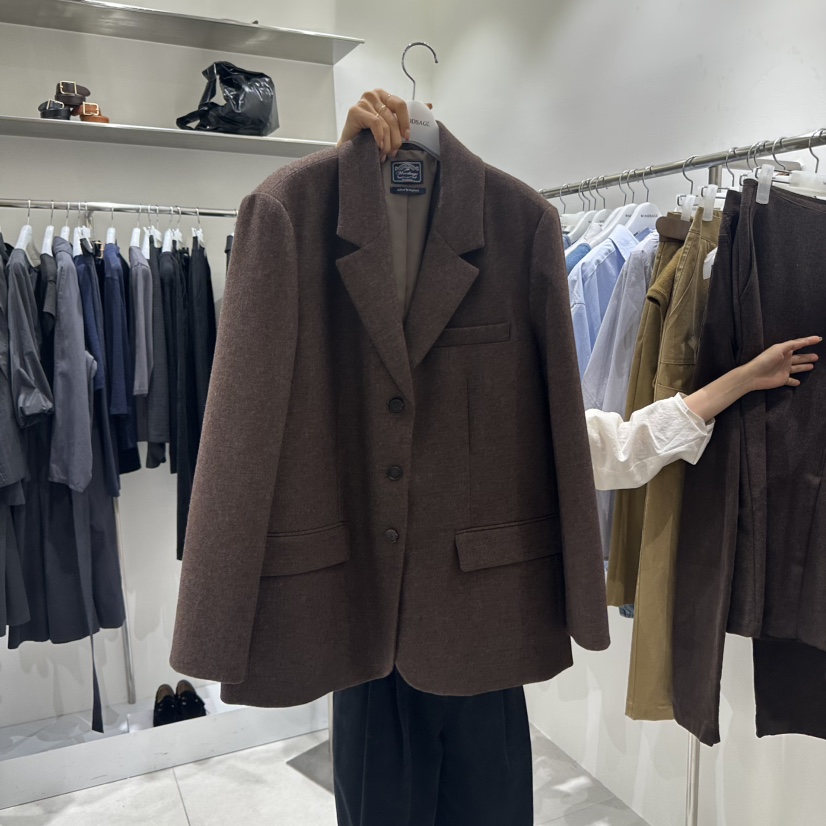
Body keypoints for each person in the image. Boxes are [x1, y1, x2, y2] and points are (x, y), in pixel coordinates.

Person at [330, 89, 821, 826]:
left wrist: (737, 382)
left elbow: (618, 446)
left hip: (484, 645)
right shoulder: (350, 363)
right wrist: (346, 171)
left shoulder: (511, 386)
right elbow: (319, 292)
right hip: (377, 651)